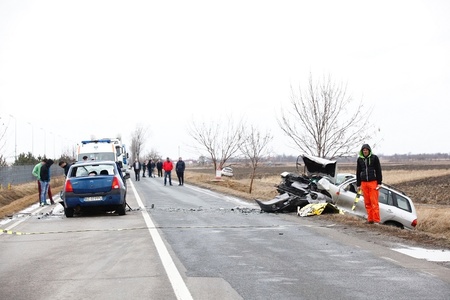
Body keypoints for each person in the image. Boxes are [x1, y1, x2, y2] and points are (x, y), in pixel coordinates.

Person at [356, 144, 383, 224]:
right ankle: (370, 219)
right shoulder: (359, 159)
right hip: (364, 183)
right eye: (363, 150)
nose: (365, 151)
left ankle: (376, 220)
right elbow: (358, 172)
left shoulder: (374, 158)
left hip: (373, 182)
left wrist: (379, 182)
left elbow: (378, 170)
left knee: (374, 202)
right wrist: (358, 184)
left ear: (369, 150)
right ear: (362, 151)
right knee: (367, 202)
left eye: (366, 150)